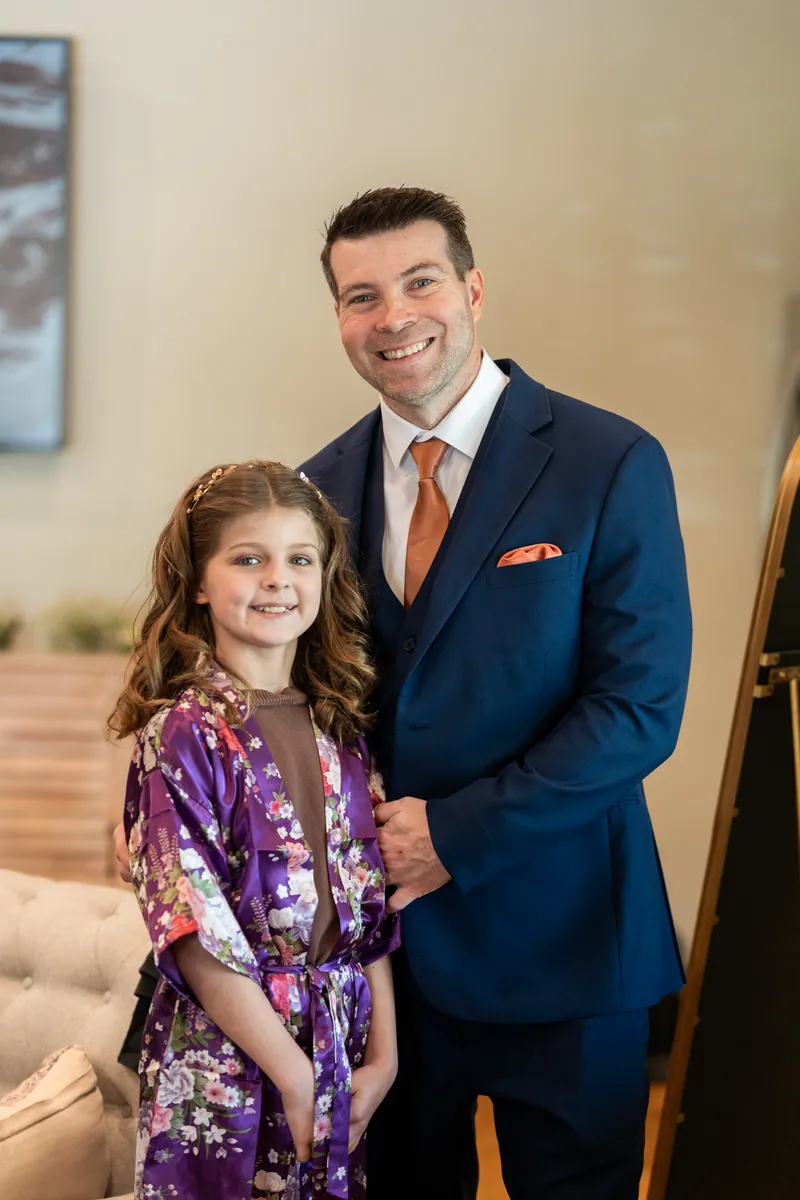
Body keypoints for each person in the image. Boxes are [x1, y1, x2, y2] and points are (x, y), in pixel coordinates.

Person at [117, 186, 692, 1199]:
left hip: (565, 955)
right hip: (382, 985)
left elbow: (637, 707)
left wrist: (454, 835)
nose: (393, 317)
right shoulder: (314, 490)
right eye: (359, 296)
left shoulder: (608, 462)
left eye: (418, 281)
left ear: (471, 287)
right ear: (338, 317)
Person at [108, 461, 399, 1200]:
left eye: (300, 559)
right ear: (199, 581)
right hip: (225, 1057)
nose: (277, 579)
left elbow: (371, 917)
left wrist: (385, 1057)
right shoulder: (178, 735)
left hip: (341, 1045)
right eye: (248, 559)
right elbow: (193, 931)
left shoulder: (344, 726)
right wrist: (293, 1077)